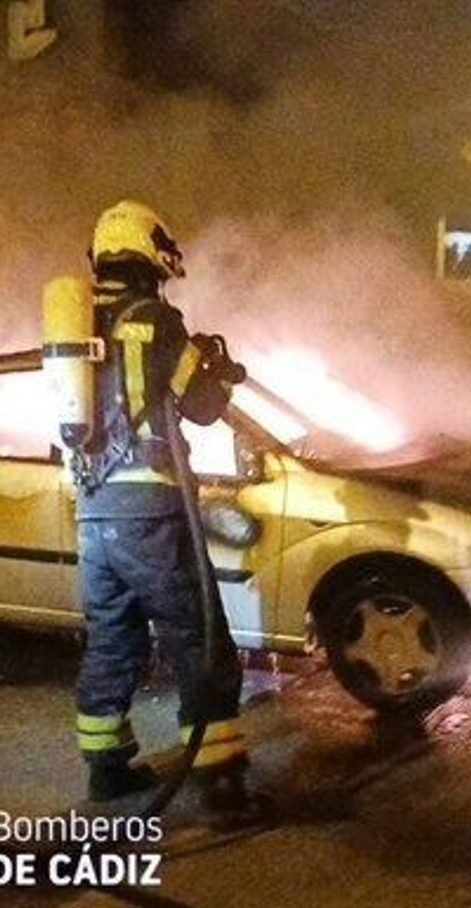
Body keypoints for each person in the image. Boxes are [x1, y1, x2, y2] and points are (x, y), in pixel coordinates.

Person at [69, 200, 272, 827]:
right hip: (151, 511)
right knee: (198, 636)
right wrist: (219, 371)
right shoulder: (155, 321)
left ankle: (106, 769)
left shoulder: (78, 326)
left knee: (112, 635)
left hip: (92, 511)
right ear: (147, 254)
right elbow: (203, 405)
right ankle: (222, 783)